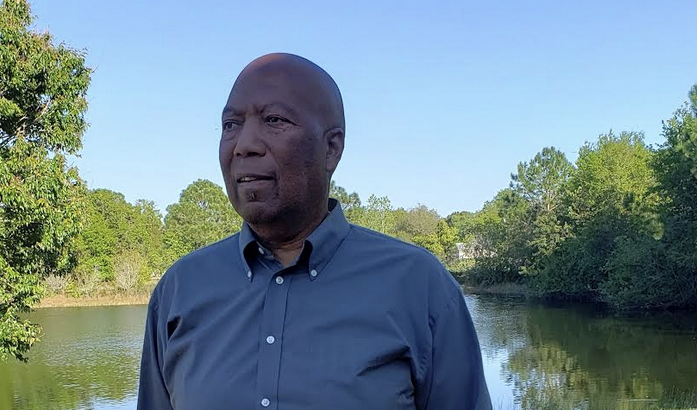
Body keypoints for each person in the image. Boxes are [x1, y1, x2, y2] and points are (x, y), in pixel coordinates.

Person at [137, 53, 492, 410]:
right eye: (231, 125)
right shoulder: (179, 290)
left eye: (273, 120)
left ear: (332, 148)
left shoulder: (420, 287)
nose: (244, 144)